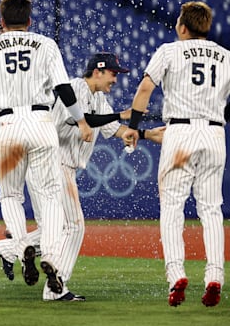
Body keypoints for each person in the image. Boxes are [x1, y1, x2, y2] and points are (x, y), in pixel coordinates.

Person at [0, 0, 93, 297]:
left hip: (7, 124)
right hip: (42, 122)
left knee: (10, 195)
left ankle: (23, 246)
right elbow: (64, 89)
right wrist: (81, 121)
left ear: (1, 21)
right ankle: (49, 255)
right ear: (29, 21)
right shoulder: (46, 44)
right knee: (50, 195)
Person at [31, 53, 165, 301]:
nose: (116, 79)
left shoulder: (99, 98)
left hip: (63, 166)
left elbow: (112, 129)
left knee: (58, 227)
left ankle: (15, 248)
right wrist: (121, 114)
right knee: (74, 226)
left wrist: (146, 135)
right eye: (113, 73)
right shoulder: (73, 88)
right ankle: (56, 287)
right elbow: (82, 119)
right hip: (54, 164)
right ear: (98, 71)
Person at [122, 1, 229, 308]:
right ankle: (214, 277)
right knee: (211, 210)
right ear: (207, 27)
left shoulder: (170, 50)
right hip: (214, 133)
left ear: (183, 27)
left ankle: (176, 275)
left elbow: (145, 88)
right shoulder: (226, 57)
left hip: (179, 133)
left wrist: (134, 127)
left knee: (172, 208)